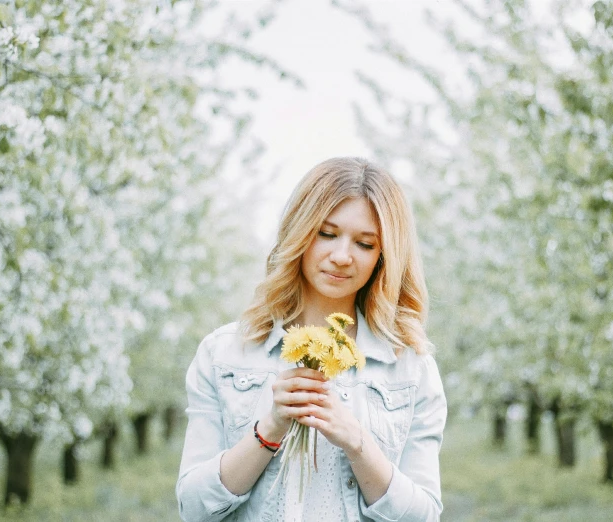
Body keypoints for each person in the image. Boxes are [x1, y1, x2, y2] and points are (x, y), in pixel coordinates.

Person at [176, 157, 447, 522]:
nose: (341, 257)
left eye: (365, 244)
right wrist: (270, 429)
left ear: (383, 257)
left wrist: (357, 443)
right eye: (327, 234)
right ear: (300, 233)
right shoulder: (225, 353)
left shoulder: (410, 367)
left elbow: (425, 516)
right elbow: (193, 508)